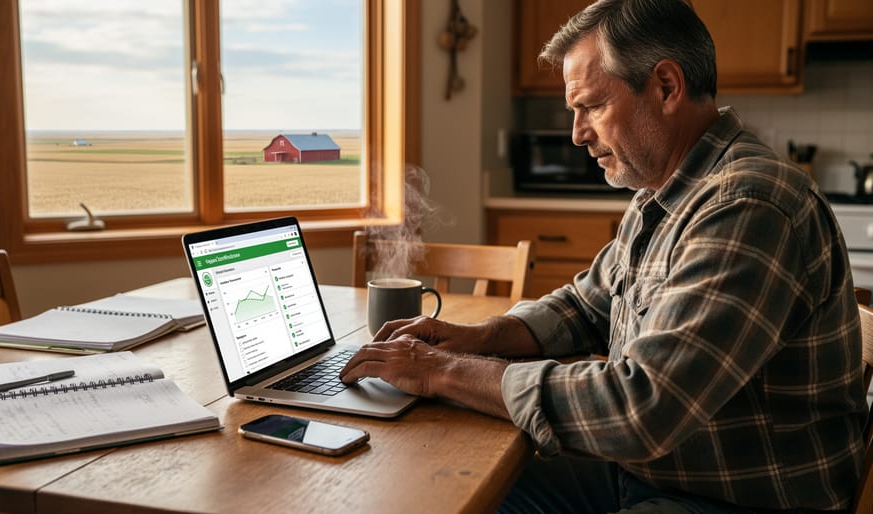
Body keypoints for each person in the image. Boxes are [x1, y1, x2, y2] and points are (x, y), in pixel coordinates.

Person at [340, 0, 868, 511]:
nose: (576, 133)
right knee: (443, 483)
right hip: (648, 474)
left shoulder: (747, 205)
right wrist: (480, 337)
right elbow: (585, 306)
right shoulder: (664, 190)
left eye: (590, 105)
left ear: (665, 86)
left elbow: (640, 408)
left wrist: (443, 372)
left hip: (728, 500)